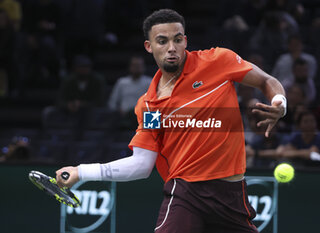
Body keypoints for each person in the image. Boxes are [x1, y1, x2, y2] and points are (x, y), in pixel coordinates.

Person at [56, 9, 286, 233]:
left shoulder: (218, 61)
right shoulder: (151, 105)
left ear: (185, 41)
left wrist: (279, 103)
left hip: (231, 195)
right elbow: (142, 165)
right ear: (149, 46)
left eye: (177, 40)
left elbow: (266, 80)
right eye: (162, 41)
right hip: (187, 196)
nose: (171, 48)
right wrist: (81, 172)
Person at [108, 56, 152, 129]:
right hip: (123, 116)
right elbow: (112, 103)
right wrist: (118, 111)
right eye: (134, 65)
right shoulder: (121, 82)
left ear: (143, 67)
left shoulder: (150, 82)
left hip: (144, 116)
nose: (137, 68)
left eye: (139, 65)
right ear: (130, 67)